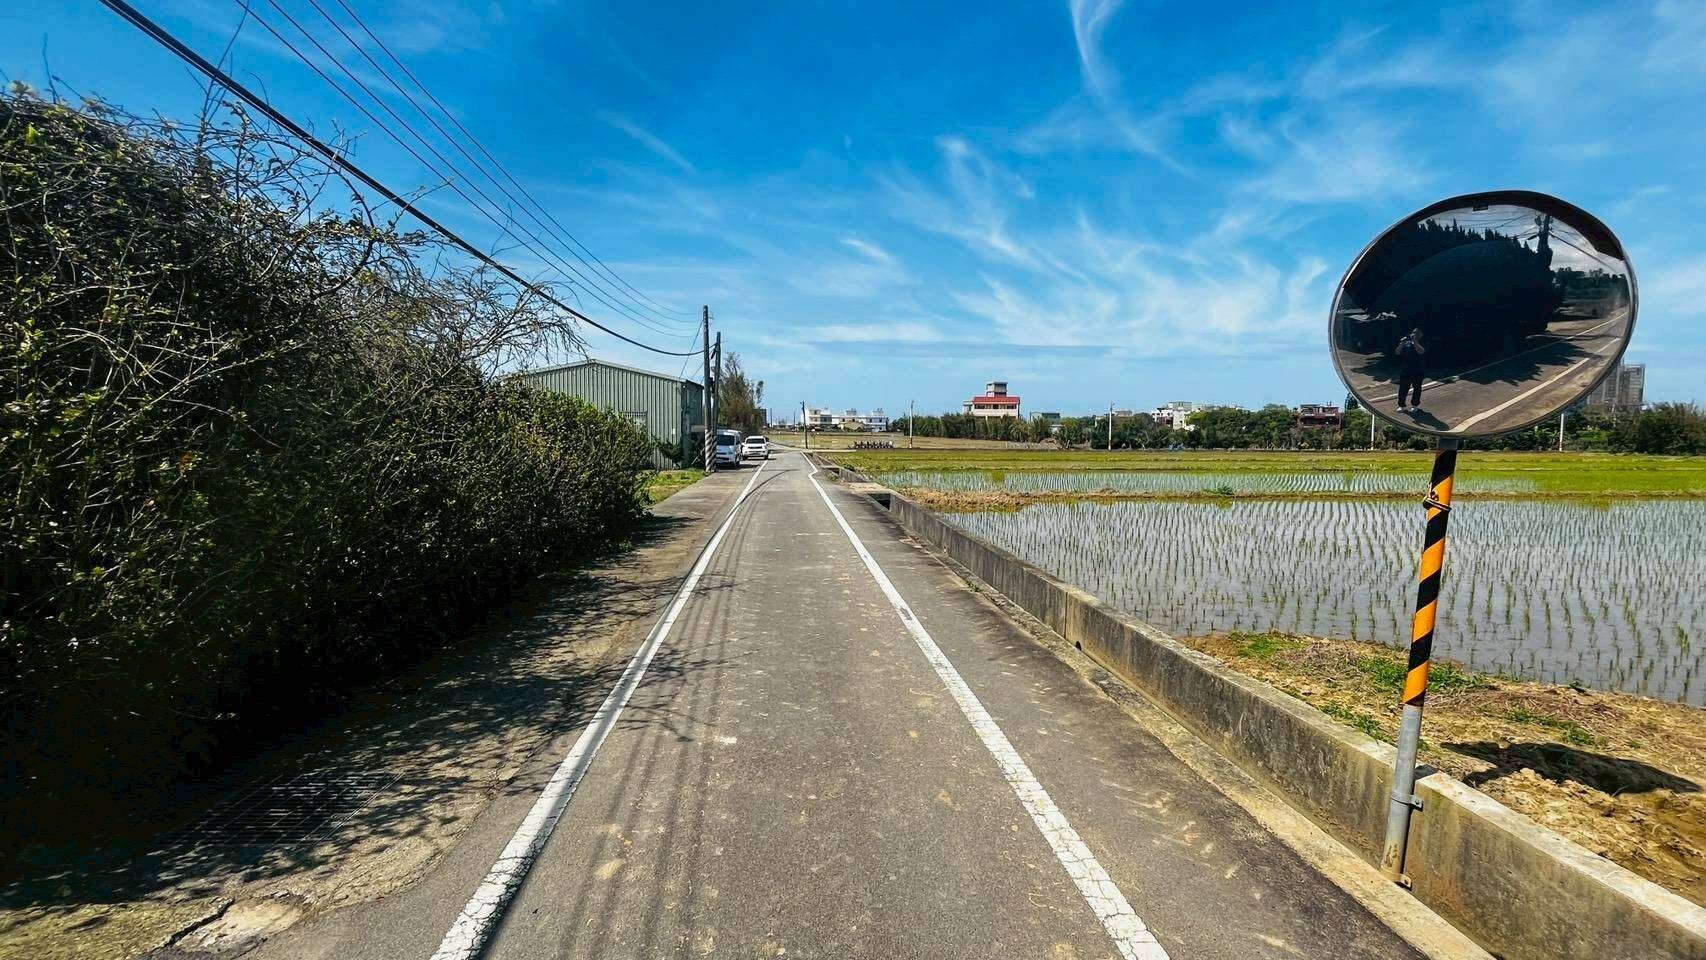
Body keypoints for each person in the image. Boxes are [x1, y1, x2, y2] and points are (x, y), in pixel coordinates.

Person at [1395, 328, 1426, 412]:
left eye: (1417, 333)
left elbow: (1421, 351)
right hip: (1405, 370)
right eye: (1414, 333)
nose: (1414, 334)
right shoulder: (1407, 343)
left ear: (1421, 335)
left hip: (1418, 371)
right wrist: (1402, 344)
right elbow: (1397, 352)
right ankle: (1401, 405)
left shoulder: (1422, 342)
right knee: (1403, 389)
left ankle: (1415, 405)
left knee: (1417, 389)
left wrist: (1415, 341)